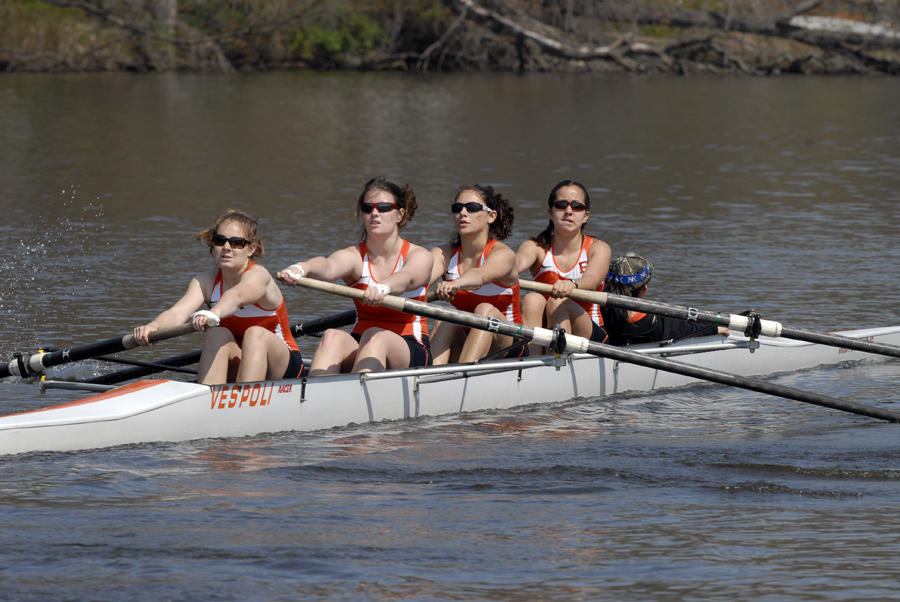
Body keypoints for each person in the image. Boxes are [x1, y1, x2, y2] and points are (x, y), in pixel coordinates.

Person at [280, 177, 433, 375]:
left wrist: (384, 286)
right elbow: (328, 266)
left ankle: (350, 397)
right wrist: (302, 267)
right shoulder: (355, 257)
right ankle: (314, 397)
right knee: (332, 336)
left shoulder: (420, 255)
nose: (374, 213)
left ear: (399, 214)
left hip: (410, 346)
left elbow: (408, 277)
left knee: (375, 335)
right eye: (367, 208)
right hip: (362, 342)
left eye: (384, 207)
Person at [134, 210, 303, 385]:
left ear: (251, 249)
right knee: (217, 334)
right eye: (220, 240)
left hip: (282, 367)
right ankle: (208, 397)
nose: (227, 247)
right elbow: (177, 314)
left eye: (237, 243)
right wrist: (153, 327)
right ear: (213, 244)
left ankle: (244, 403)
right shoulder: (205, 281)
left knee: (255, 334)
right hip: (243, 360)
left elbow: (236, 296)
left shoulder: (259, 276)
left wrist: (213, 313)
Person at [429, 184, 528, 364]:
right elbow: (419, 281)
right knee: (445, 320)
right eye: (457, 208)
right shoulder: (443, 254)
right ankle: (425, 380)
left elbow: (480, 276)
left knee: (484, 310)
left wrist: (455, 283)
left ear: (491, 216)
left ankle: (464, 375)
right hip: (466, 336)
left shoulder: (503, 254)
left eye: (473, 208)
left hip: (509, 343)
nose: (463, 213)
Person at [516, 180, 611, 353]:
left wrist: (573, 284)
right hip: (547, 330)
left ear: (586, 216)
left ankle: (557, 362)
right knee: (532, 299)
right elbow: (513, 266)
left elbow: (592, 280)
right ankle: (532, 364)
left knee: (558, 302)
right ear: (550, 213)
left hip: (590, 334)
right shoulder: (535, 247)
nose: (568, 211)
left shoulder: (598, 248)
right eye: (560, 205)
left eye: (576, 206)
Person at [603, 252, 729, 346]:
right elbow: (686, 330)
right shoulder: (658, 321)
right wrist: (715, 328)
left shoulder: (596, 313)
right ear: (645, 287)